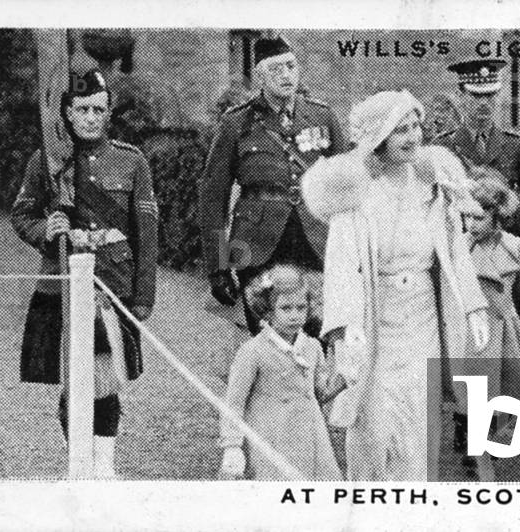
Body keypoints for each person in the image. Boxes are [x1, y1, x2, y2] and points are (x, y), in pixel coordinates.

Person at [302, 90, 490, 481]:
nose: (413, 137)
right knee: (373, 424)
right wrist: (347, 328)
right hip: (376, 320)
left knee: (418, 422)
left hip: (423, 320)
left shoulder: (433, 185)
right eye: (400, 130)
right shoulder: (355, 191)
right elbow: (343, 266)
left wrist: (472, 305)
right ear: (379, 137)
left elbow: (456, 252)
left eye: (416, 126)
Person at [11, 69, 158, 479]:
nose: (91, 117)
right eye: (82, 110)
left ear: (109, 112)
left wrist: (143, 296)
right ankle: (79, 466)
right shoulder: (48, 160)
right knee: (72, 383)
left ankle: (105, 468)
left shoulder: (132, 161)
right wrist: (47, 229)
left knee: (105, 381)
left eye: (99, 109)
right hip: (60, 284)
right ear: (67, 114)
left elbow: (147, 234)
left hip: (112, 285)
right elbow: (21, 214)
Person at [199, 36, 348, 337]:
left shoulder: (323, 116)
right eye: (276, 69)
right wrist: (218, 267)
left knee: (317, 336)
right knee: (267, 340)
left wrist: (350, 251)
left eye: (291, 67)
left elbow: (346, 187)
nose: (286, 75)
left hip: (315, 241)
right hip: (255, 245)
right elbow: (213, 196)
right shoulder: (236, 123)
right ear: (260, 76)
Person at [457, 174, 520, 470]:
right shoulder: (459, 247)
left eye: (478, 217)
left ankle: (495, 436)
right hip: (472, 329)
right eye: (465, 217)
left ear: (497, 214)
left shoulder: (516, 248)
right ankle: (477, 444)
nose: (470, 225)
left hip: (505, 327)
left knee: (510, 389)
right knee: (477, 390)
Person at [218, 265, 345, 480]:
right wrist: (233, 445)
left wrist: (344, 378)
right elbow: (234, 401)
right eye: (286, 308)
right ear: (268, 310)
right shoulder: (253, 351)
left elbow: (320, 393)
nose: (295, 316)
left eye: (301, 308)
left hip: (310, 437)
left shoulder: (312, 347)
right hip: (272, 435)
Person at [434, 59, 520, 227]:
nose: (484, 102)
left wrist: (514, 210)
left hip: (502, 243)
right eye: (476, 95)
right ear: (461, 95)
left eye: (490, 95)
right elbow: (422, 201)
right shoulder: (443, 147)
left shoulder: (515, 146)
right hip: (458, 243)